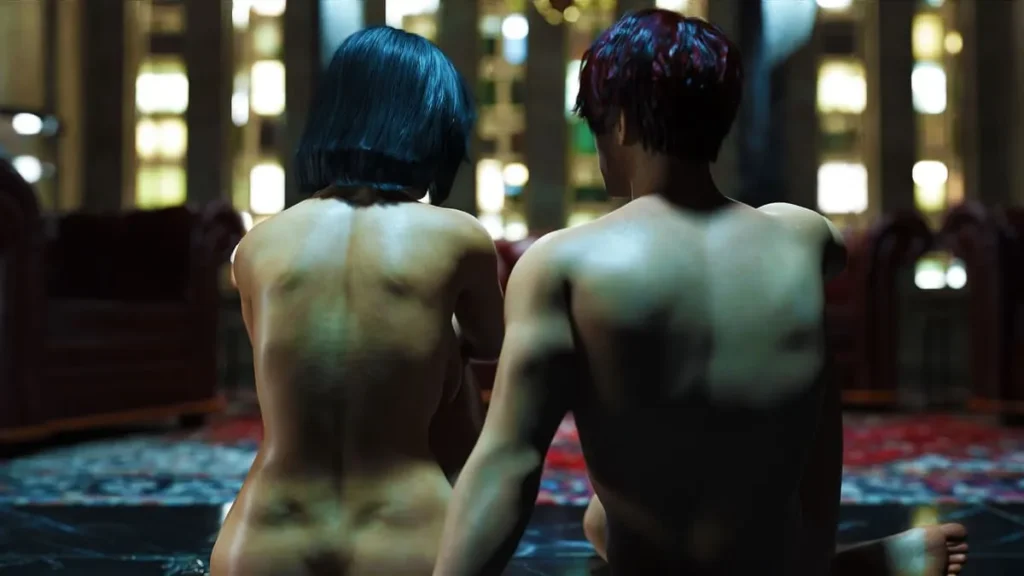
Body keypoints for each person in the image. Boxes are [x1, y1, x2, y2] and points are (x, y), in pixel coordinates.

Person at [433, 9, 967, 576]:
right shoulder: (803, 238)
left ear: (620, 123)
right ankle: (828, 568)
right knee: (603, 515)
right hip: (776, 560)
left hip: (657, 566)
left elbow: (509, 462)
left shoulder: (562, 262)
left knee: (605, 515)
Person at [210, 26, 504, 576]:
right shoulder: (459, 236)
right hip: (408, 539)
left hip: (264, 541)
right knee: (448, 344)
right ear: (434, 128)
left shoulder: (257, 246)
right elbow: (492, 344)